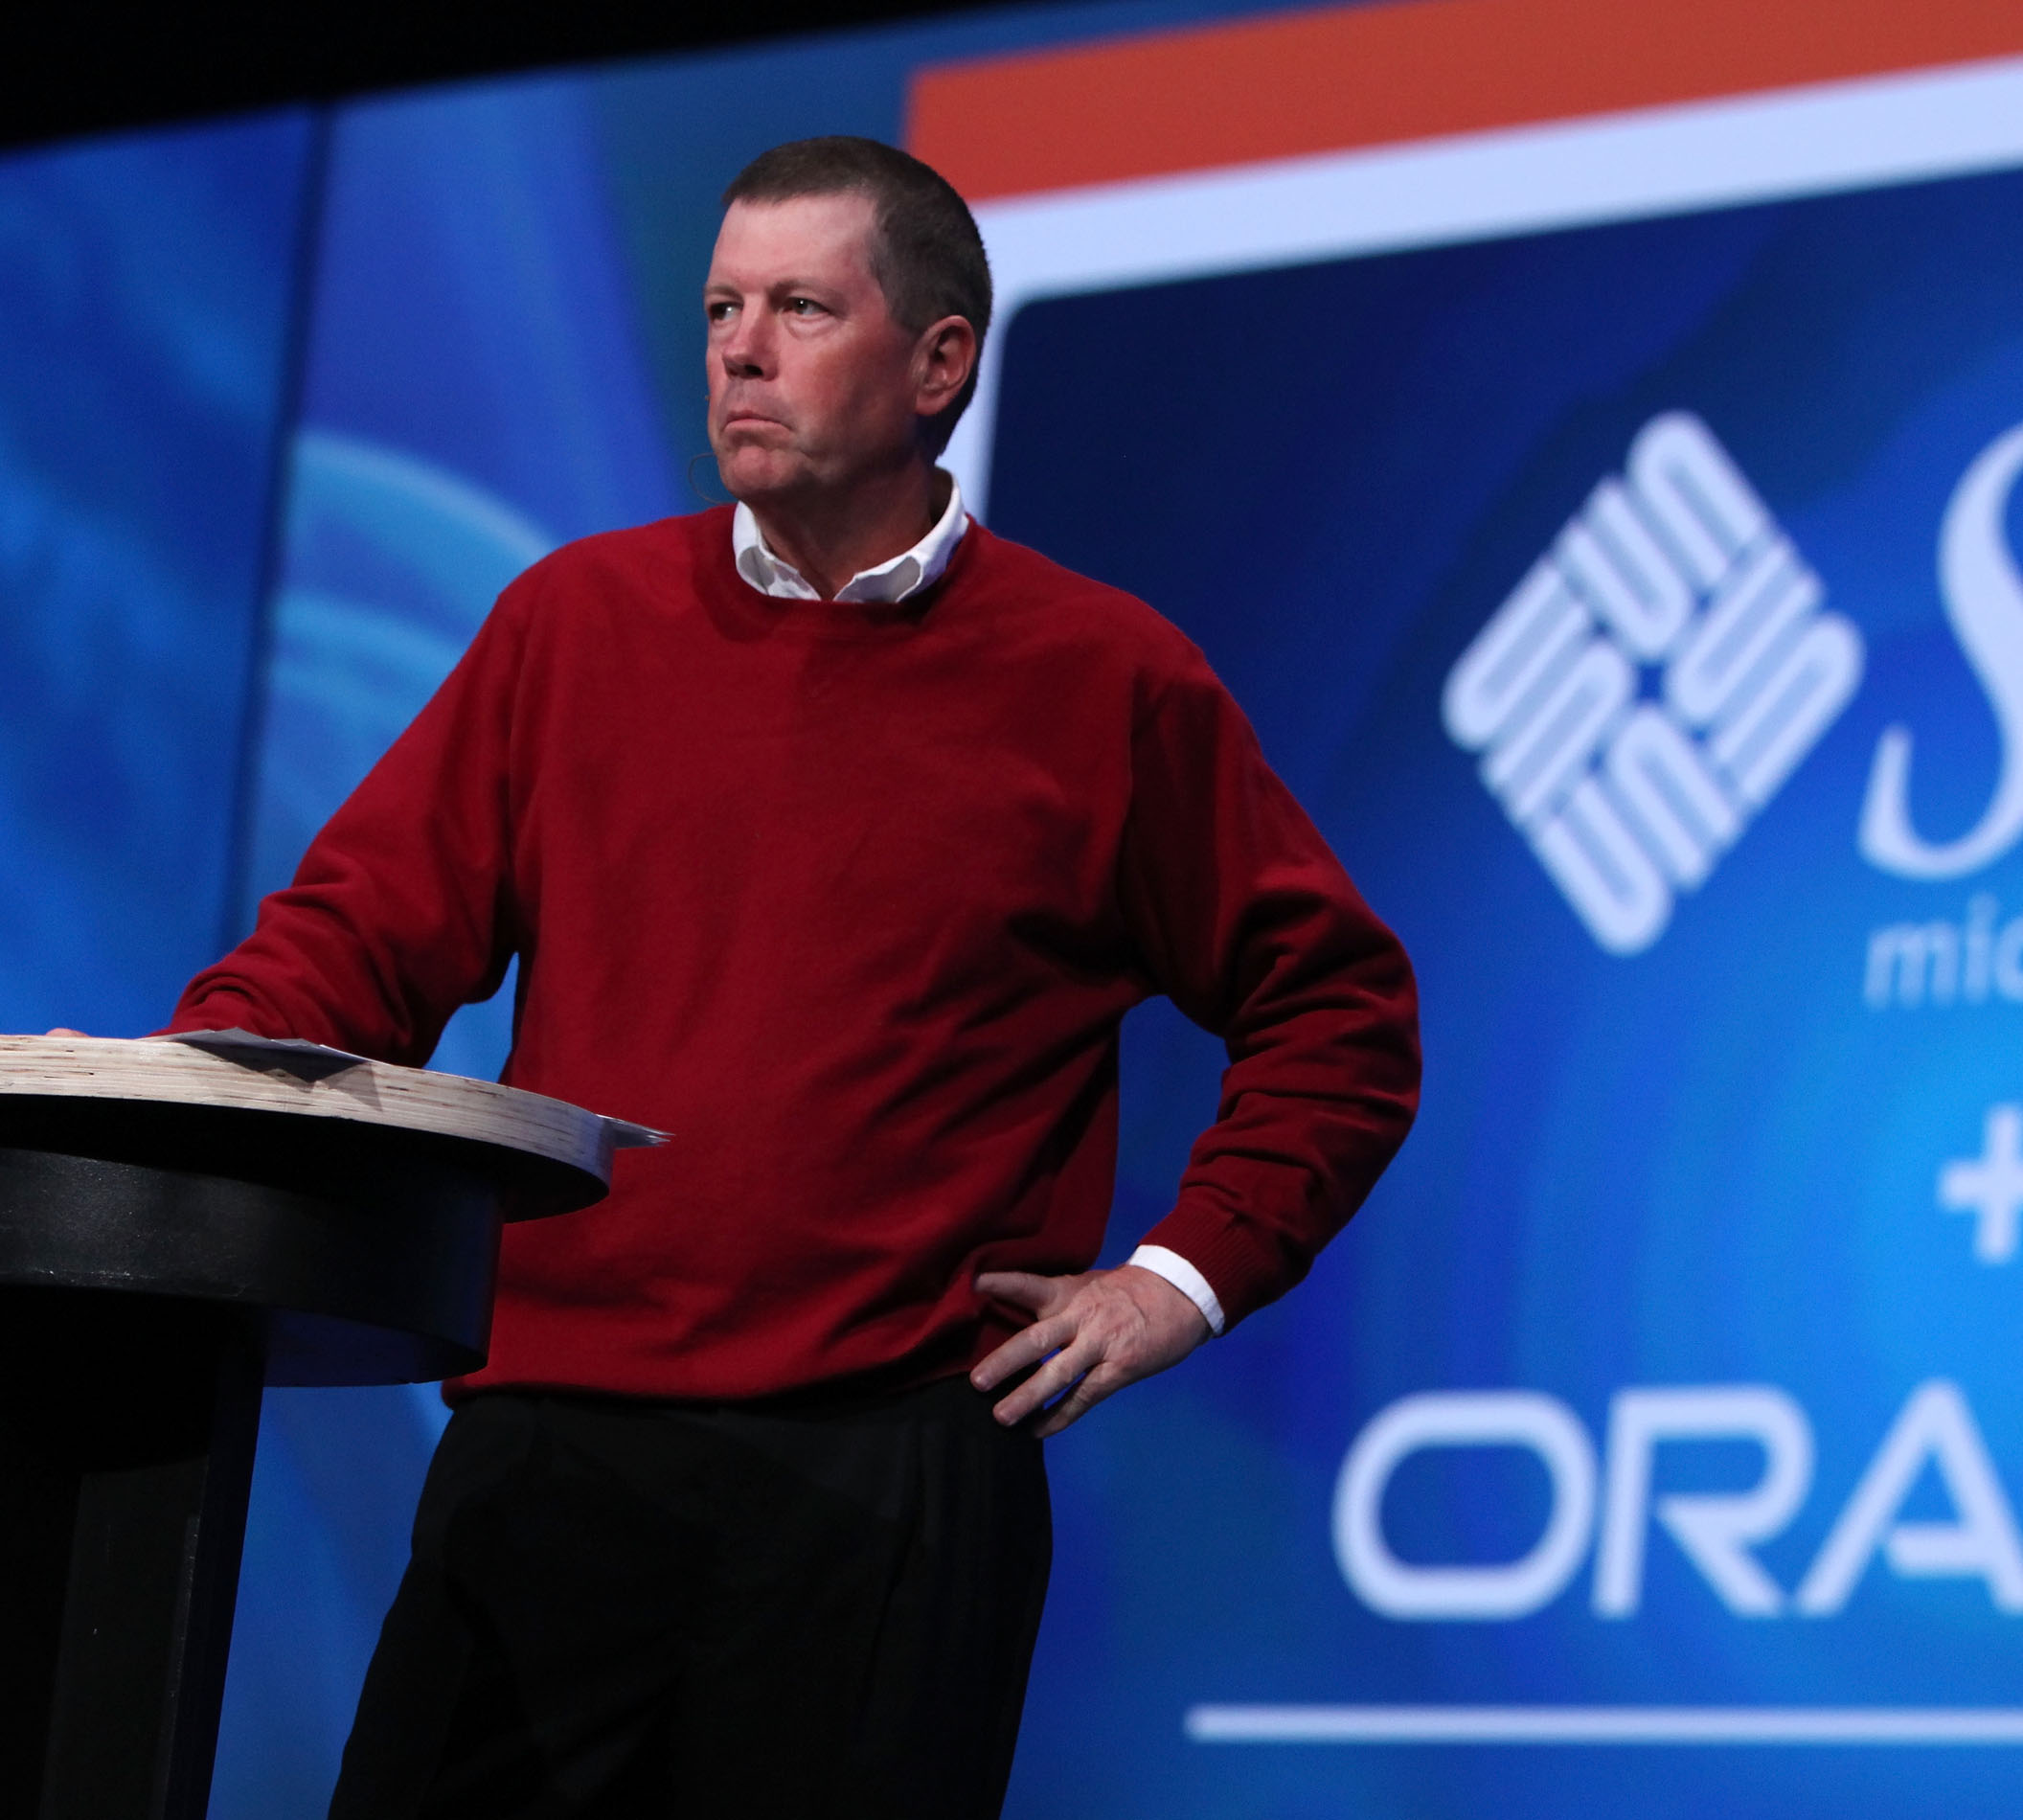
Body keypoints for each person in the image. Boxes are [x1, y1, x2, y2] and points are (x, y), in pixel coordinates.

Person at [157, 136, 1421, 1817]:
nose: (739, 350)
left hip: (891, 1478)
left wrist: (1179, 1280)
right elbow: (360, 937)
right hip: (555, 1453)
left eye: (801, 307)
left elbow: (1338, 1009)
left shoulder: (1105, 678)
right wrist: (183, 1093)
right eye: (719, 308)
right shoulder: (575, 623)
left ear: (938, 363)